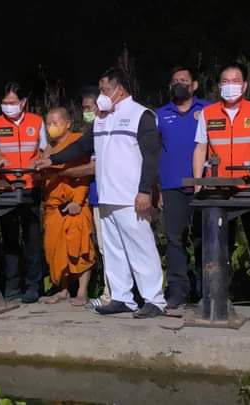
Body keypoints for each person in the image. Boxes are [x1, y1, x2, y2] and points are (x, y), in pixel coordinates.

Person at [35, 67, 167, 318]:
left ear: (120, 90)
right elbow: (81, 146)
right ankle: (121, 297)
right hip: (107, 196)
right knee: (114, 250)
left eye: (105, 90)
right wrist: (53, 160)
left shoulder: (141, 115)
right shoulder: (102, 118)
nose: (101, 96)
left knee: (141, 248)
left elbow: (151, 156)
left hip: (131, 198)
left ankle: (155, 300)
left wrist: (144, 191)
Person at [192, 64, 250, 319]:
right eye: (225, 80)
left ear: (244, 85)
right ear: (220, 85)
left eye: (235, 80)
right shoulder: (208, 113)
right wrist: (198, 183)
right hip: (219, 192)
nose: (230, 85)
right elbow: (200, 149)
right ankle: (218, 298)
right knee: (219, 248)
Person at [155, 66, 211, 309]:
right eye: (175, 80)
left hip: (203, 185)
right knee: (175, 240)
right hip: (171, 185)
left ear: (194, 85)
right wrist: (156, 187)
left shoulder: (208, 109)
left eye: (184, 80)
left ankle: (206, 290)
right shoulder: (160, 114)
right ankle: (178, 290)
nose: (180, 84)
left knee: (203, 239)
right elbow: (153, 151)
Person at [0, 82, 47, 303]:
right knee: (10, 238)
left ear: (23, 102)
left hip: (31, 186)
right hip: (7, 187)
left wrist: (41, 161)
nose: (8, 106)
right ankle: (12, 287)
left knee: (32, 237)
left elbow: (45, 148)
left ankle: (33, 286)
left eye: (12, 102)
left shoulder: (36, 121)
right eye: (4, 102)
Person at [57, 88, 112, 309]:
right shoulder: (90, 134)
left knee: (115, 247)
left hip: (116, 196)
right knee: (104, 248)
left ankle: (119, 294)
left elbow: (95, 166)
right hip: (97, 197)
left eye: (89, 107)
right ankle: (110, 292)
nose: (86, 112)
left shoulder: (109, 130)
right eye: (84, 108)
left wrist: (66, 172)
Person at [41, 107, 96, 306]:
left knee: (80, 248)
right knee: (55, 249)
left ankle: (82, 291)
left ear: (68, 124)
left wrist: (78, 201)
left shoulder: (77, 143)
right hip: (53, 207)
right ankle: (62, 289)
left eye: (55, 123)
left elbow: (84, 174)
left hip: (75, 204)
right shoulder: (47, 148)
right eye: (48, 124)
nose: (51, 127)